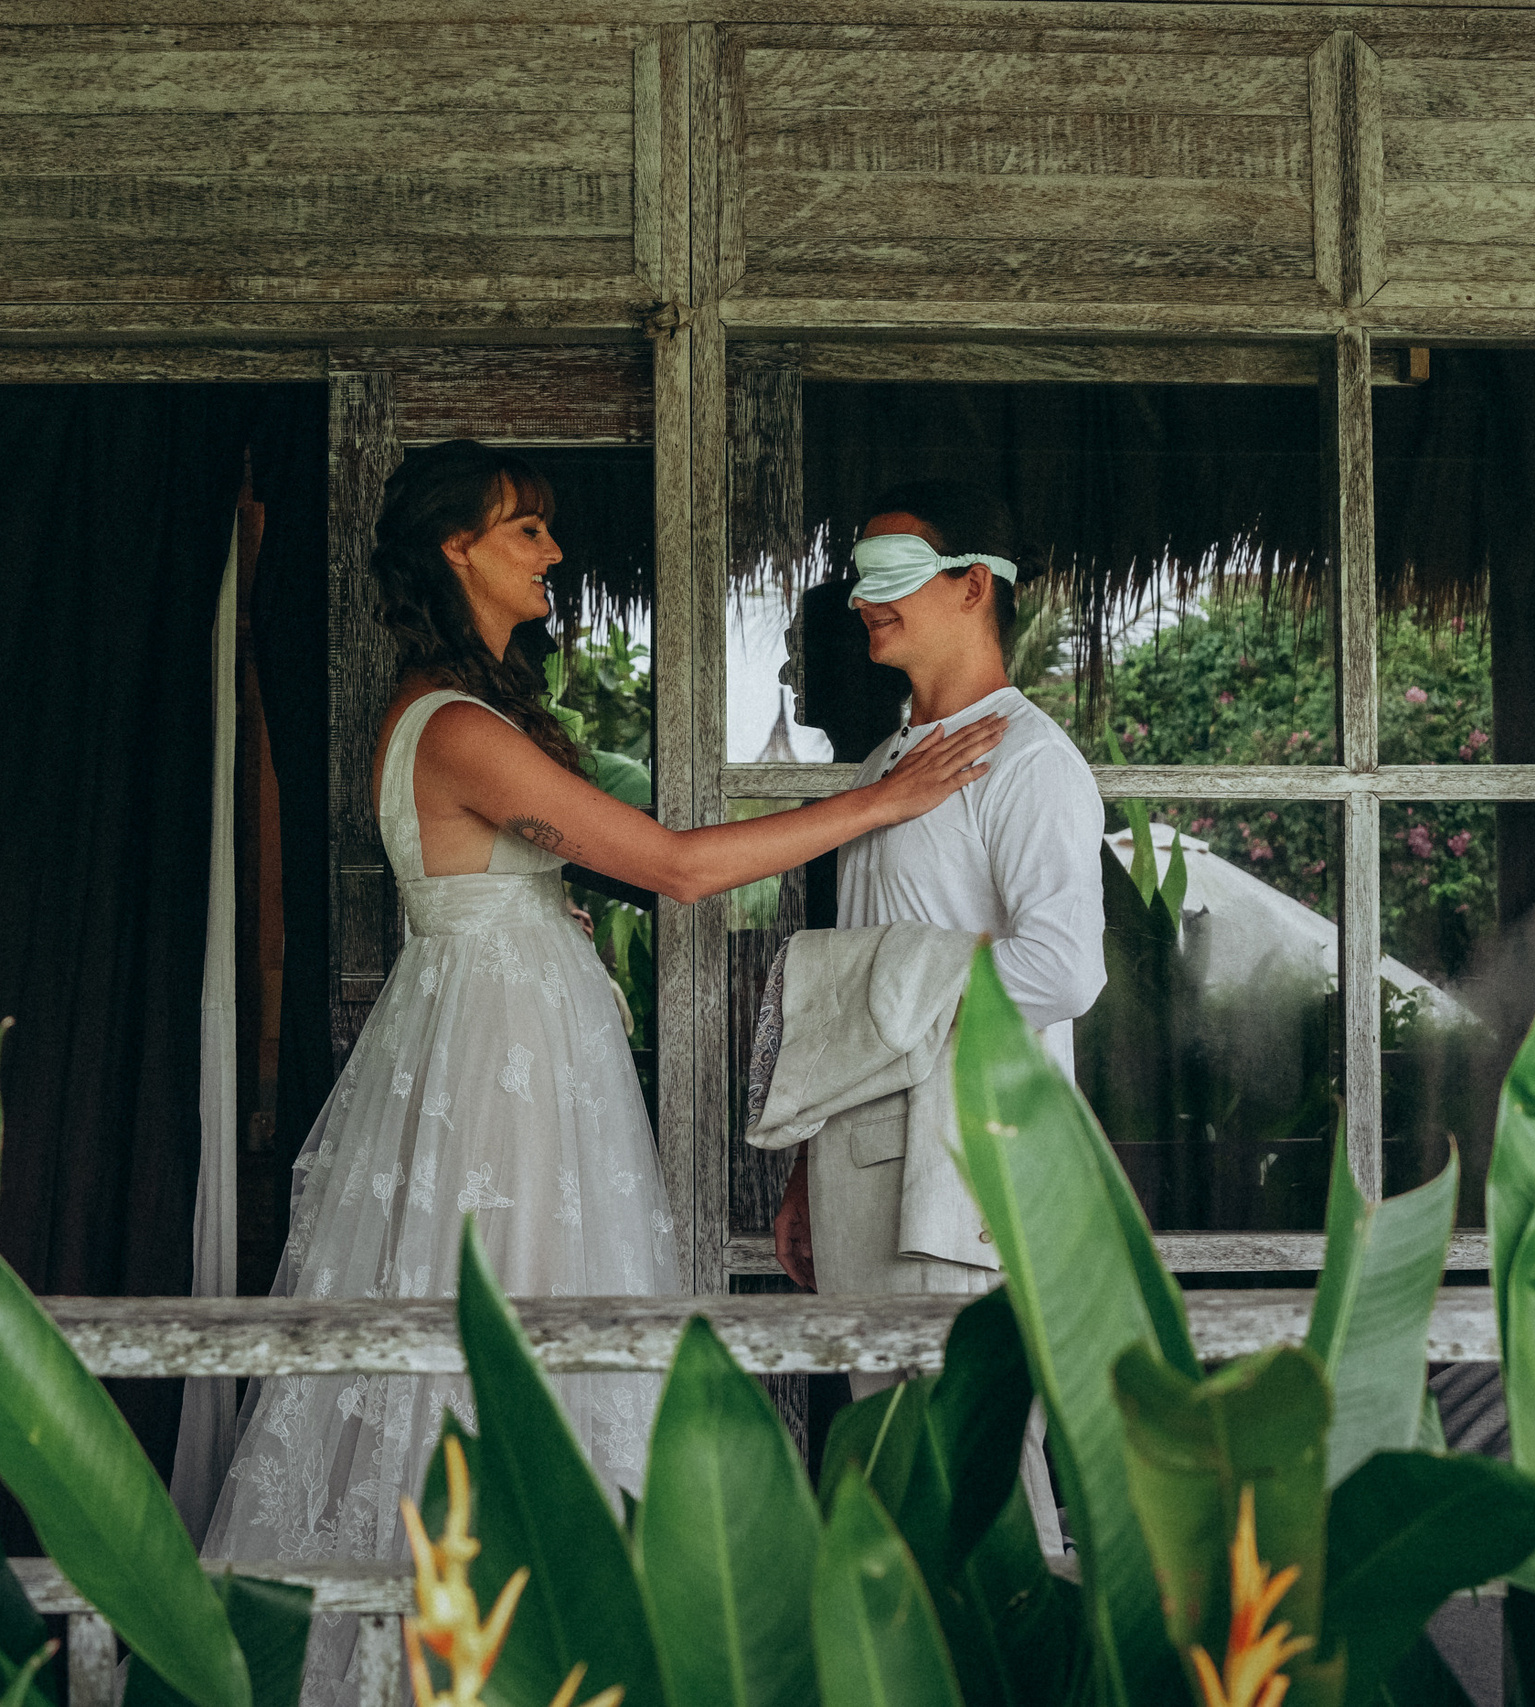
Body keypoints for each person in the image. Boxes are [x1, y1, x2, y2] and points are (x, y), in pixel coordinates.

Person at [200, 442, 1007, 1704]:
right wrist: (879, 803)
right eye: (525, 530)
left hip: (519, 1038)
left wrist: (537, 913)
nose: (553, 553)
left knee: (552, 1314)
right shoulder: (453, 724)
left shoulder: (473, 710)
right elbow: (675, 869)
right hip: (496, 1067)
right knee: (503, 1320)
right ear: (456, 549)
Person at [768, 480, 1107, 1545]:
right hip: (866, 1165)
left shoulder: (1030, 761)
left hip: (961, 1167)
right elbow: (875, 973)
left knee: (978, 1481)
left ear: (973, 587)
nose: (863, 599)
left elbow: (1061, 971)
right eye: (853, 578)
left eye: (892, 573)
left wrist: (881, 984)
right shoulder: (887, 766)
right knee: (892, 1478)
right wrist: (806, 1162)